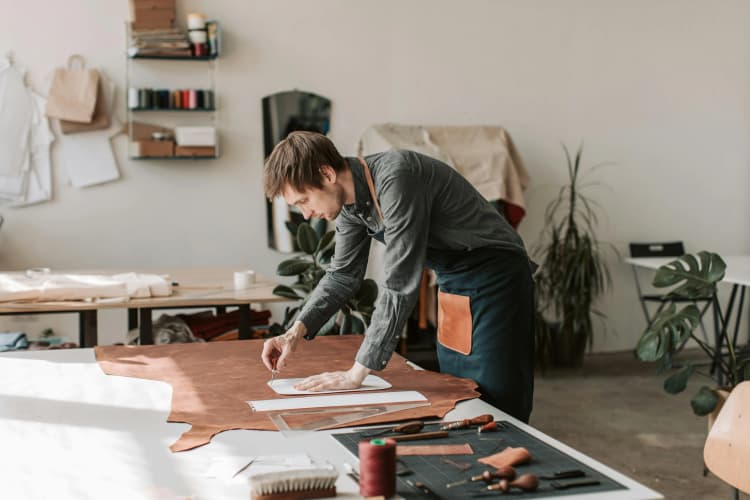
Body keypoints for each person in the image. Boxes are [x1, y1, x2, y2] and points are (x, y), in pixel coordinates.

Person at [261, 131, 536, 422]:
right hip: (453, 282)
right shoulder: (349, 207)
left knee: (499, 399)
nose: (305, 214)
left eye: (303, 200)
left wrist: (357, 373)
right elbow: (342, 275)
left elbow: (399, 282)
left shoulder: (397, 177)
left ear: (327, 174)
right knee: (461, 391)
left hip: (498, 278)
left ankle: (514, 461)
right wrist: (294, 333)